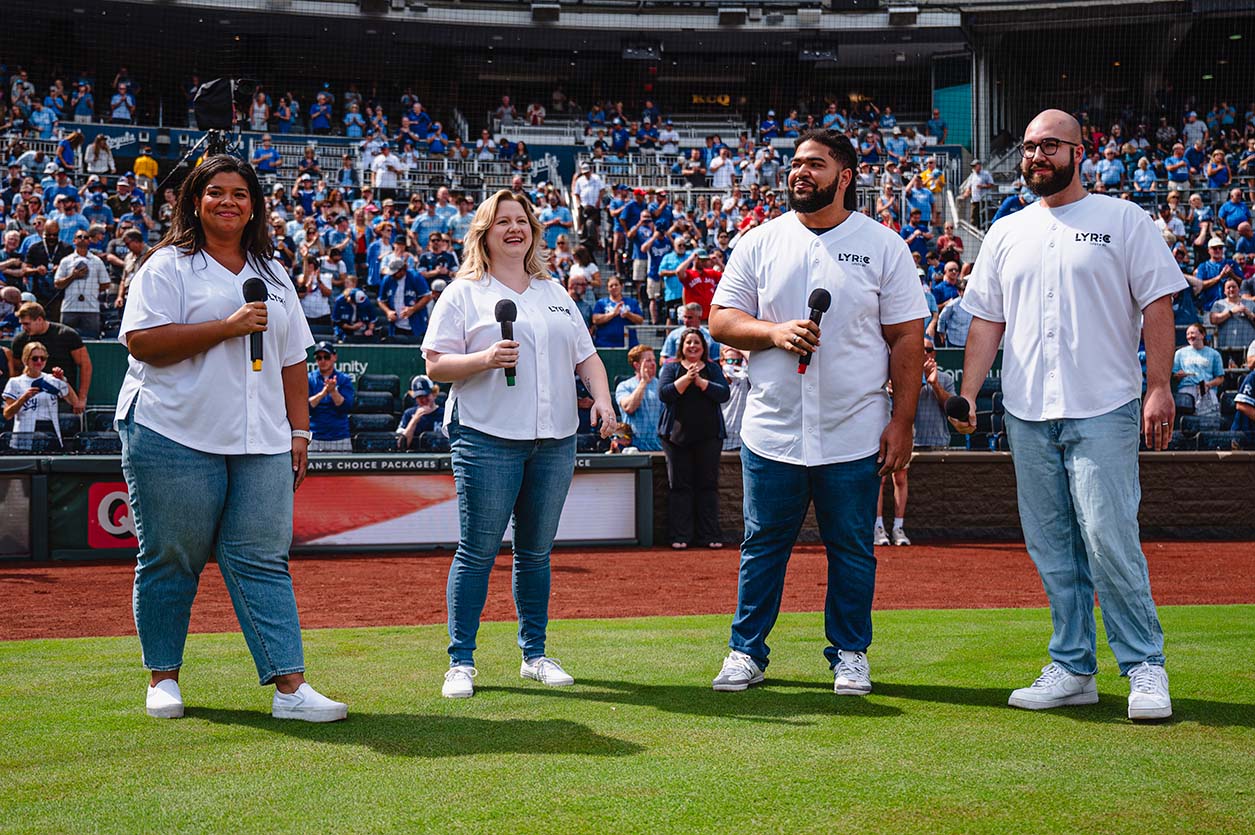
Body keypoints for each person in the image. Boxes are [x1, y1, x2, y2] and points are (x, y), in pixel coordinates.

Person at [952, 109, 1182, 722]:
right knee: (1051, 544)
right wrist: (970, 392)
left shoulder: (1125, 219)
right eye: (1028, 148)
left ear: (1080, 152)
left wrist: (1159, 386)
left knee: (1109, 537)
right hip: (1027, 410)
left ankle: (1144, 666)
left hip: (1104, 404)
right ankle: (1074, 666)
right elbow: (987, 321)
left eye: (1049, 146)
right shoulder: (1006, 232)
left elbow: (1158, 306)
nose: (1036, 157)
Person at [115, 155, 346, 722]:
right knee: (172, 555)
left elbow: (295, 359)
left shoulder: (273, 270)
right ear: (194, 201)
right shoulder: (167, 265)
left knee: (263, 558)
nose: (228, 202)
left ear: (254, 206)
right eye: (215, 192)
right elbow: (142, 342)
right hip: (173, 429)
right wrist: (229, 325)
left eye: (240, 193)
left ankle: (290, 689)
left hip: (263, 436)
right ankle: (163, 676)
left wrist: (300, 430)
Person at [707, 130, 927, 695]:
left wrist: (902, 421)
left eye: (815, 164)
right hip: (773, 428)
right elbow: (722, 320)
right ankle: (745, 652)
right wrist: (773, 331)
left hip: (854, 430)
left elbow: (906, 338)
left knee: (852, 550)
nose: (800, 172)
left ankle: (850, 653)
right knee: (762, 548)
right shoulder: (759, 241)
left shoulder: (884, 245)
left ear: (845, 176)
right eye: (796, 164)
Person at [421, 189, 618, 699]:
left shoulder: (554, 291)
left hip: (554, 440)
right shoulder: (462, 292)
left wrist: (603, 401)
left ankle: (534, 654)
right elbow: (436, 365)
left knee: (535, 552)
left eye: (523, 221)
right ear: (484, 233)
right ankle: (460, 661)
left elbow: (588, 357)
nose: (515, 228)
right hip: (486, 437)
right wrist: (484, 358)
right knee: (478, 550)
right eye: (503, 221)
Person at [874, 336, 954, 547]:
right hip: (892, 434)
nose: (924, 354)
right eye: (920, 349)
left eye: (928, 350)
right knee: (881, 480)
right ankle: (878, 527)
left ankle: (898, 528)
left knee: (900, 478)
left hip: (928, 443)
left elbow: (954, 413)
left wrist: (934, 384)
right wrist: (892, 390)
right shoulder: (894, 376)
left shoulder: (944, 378)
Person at [658, 328, 730, 549]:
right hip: (676, 437)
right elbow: (665, 393)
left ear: (703, 346)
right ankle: (680, 535)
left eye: (696, 342)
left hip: (709, 437)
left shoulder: (713, 368)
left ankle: (709, 535)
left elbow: (723, 393)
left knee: (707, 485)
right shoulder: (671, 368)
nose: (692, 346)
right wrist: (686, 379)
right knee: (680, 486)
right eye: (688, 342)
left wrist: (701, 382)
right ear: (682, 346)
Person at [10, 302, 91, 413]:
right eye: (22, 324)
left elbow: (85, 366)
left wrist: (81, 399)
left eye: (27, 324)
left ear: (39, 319)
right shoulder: (20, 341)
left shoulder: (66, 335)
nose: (24, 328)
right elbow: (17, 370)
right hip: (32, 402)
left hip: (63, 400)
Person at [2, 341, 77, 451]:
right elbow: (7, 414)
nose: (39, 361)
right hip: (25, 432)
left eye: (43, 358)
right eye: (35, 358)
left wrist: (63, 381)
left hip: (50, 429)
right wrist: (23, 398)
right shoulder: (15, 382)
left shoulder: (52, 379)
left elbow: (74, 402)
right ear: (26, 359)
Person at [54, 228, 111, 339]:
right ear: (74, 241)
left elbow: (106, 283)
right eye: (79, 237)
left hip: (91, 308)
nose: (82, 239)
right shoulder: (66, 261)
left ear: (89, 241)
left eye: (85, 237)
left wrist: (94, 289)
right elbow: (57, 283)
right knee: (64, 340)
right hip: (69, 308)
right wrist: (72, 276)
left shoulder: (96, 261)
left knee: (92, 339)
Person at [307, 341, 355, 452]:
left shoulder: (344, 379)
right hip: (315, 436)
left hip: (339, 436)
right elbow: (306, 407)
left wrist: (333, 391)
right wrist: (323, 393)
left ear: (334, 357)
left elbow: (346, 407)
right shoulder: (309, 379)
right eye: (319, 358)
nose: (323, 361)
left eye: (326, 357)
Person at [615, 344, 663, 452]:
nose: (653, 364)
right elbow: (629, 407)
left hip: (660, 449)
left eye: (654, 360)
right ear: (637, 365)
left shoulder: (662, 386)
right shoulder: (624, 386)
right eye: (648, 360)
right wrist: (643, 382)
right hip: (633, 450)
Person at [1172, 324, 1224, 418]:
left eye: (1192, 333)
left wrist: (1208, 385)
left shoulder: (1214, 354)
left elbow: (1220, 378)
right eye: (1187, 334)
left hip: (1207, 390)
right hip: (1186, 390)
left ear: (1202, 335)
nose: (1189, 336)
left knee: (1208, 420)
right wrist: (1178, 375)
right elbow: (1174, 376)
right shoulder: (1179, 353)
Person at [590, 276, 644, 348]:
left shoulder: (632, 302)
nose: (614, 287)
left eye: (616, 285)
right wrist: (613, 314)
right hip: (605, 344)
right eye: (611, 286)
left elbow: (640, 320)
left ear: (621, 286)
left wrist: (628, 314)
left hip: (629, 344)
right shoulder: (601, 303)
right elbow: (595, 320)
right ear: (607, 288)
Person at [396, 375, 444, 450]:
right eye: (420, 397)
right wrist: (415, 419)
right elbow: (401, 445)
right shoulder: (408, 414)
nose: (424, 400)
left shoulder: (444, 414)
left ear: (434, 394)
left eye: (426, 395)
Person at [719, 346, 750, 451]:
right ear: (722, 361)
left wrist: (740, 349)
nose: (733, 365)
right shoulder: (716, 377)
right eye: (730, 361)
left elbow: (752, 362)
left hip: (740, 439)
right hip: (722, 436)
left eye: (737, 361)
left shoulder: (745, 379)